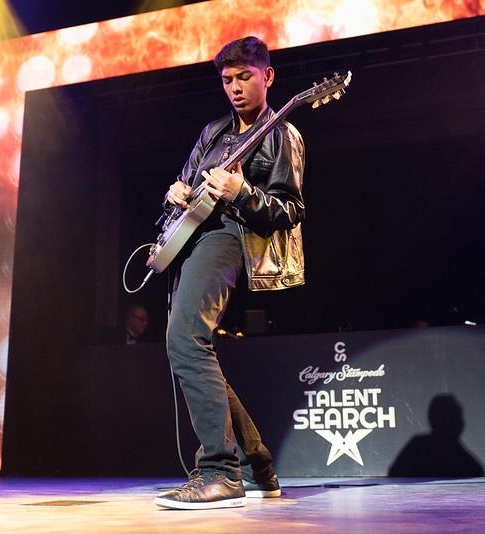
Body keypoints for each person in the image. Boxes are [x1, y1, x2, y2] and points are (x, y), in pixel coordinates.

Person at [154, 36, 305, 510]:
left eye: (245, 77)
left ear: (268, 76)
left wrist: (242, 192)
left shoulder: (282, 134)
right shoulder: (213, 131)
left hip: (232, 240)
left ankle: (221, 471)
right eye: (227, 79)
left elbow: (291, 211)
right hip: (193, 239)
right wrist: (174, 194)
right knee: (190, 345)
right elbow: (184, 184)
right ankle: (258, 467)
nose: (236, 87)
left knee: (184, 340)